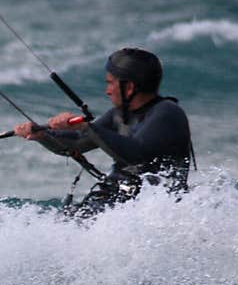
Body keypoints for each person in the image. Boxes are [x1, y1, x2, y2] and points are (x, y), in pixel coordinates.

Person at [14, 47, 194, 218]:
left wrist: (86, 126)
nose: (107, 91)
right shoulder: (119, 114)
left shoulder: (167, 113)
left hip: (150, 209)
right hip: (115, 201)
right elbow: (77, 142)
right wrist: (43, 136)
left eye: (110, 83)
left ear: (129, 87)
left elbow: (137, 153)